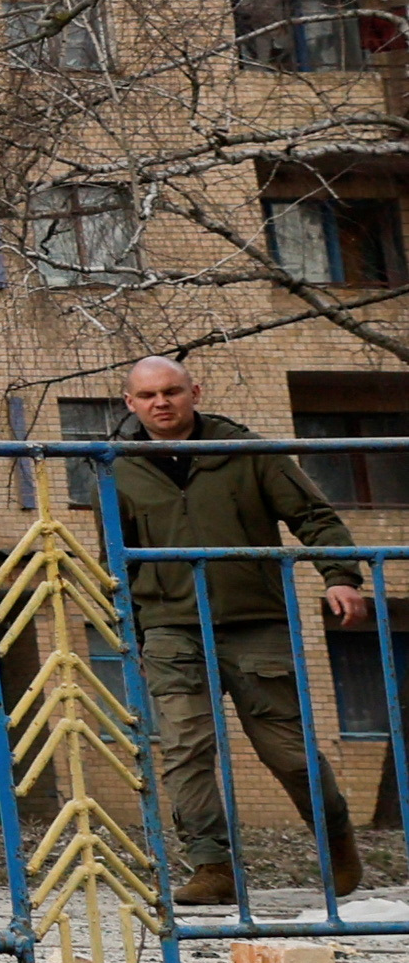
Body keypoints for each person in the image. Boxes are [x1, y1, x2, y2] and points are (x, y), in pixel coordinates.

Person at [103, 352, 377, 904]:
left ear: (194, 393)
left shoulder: (246, 452)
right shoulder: (116, 466)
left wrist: (341, 577)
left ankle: (336, 839)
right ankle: (212, 867)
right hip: (171, 628)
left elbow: (314, 517)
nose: (162, 403)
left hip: (256, 625)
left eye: (172, 392)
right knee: (185, 750)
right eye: (149, 395)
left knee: (289, 752)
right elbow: (116, 555)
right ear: (130, 404)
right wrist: (129, 626)